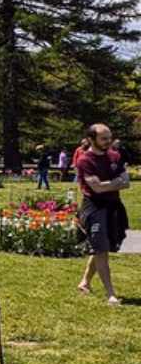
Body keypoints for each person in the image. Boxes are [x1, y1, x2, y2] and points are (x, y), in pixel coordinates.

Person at [75, 124, 129, 305]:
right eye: (104, 138)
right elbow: (96, 188)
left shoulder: (115, 156)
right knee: (101, 249)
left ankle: (85, 282)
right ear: (92, 139)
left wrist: (108, 184)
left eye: (109, 137)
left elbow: (126, 182)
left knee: (102, 247)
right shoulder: (84, 160)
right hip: (94, 208)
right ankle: (110, 293)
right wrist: (115, 183)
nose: (108, 142)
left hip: (113, 206)